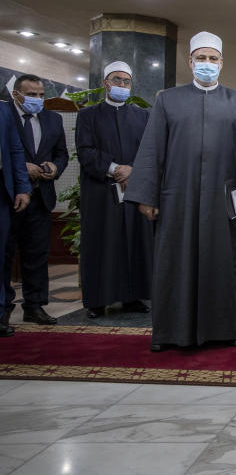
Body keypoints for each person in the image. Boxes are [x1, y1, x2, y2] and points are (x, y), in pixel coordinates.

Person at [125, 31, 236, 352]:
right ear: (190, 62)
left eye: (212, 59)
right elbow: (152, 151)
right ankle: (168, 333)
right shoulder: (167, 100)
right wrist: (147, 196)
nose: (206, 64)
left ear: (221, 63)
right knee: (173, 262)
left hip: (221, 199)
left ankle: (224, 330)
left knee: (222, 263)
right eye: (200, 58)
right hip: (176, 198)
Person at [75, 61, 153, 318]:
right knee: (101, 243)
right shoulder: (88, 115)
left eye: (126, 81)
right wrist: (115, 169)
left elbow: (150, 151)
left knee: (134, 241)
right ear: (105, 83)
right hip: (101, 190)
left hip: (135, 188)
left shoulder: (143, 116)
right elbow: (85, 151)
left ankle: (133, 296)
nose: (121, 85)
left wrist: (133, 170)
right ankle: (97, 300)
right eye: (116, 80)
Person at [3, 74, 69, 325]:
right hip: (9, 197)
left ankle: (35, 305)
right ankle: (4, 307)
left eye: (41, 95)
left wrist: (55, 166)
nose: (38, 99)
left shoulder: (53, 118)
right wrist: (23, 166)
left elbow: (61, 153)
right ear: (17, 95)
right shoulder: (5, 115)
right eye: (32, 95)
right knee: (6, 254)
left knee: (37, 254)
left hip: (41, 196)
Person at [0, 106, 32, 337]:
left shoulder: (3, 111)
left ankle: (0, 313)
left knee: (1, 255)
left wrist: (22, 187)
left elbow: (14, 150)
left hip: (2, 193)